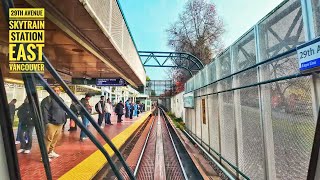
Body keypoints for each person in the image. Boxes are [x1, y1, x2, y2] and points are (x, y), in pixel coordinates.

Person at [43, 86, 67, 161]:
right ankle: (44, 156)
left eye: (58, 91)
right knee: (48, 140)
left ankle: (51, 152)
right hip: (51, 124)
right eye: (55, 90)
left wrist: (64, 120)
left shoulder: (61, 100)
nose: (56, 92)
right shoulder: (47, 100)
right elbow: (44, 112)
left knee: (54, 140)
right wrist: (47, 123)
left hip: (60, 123)